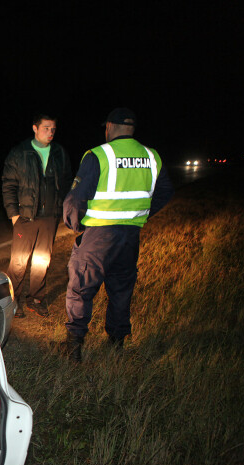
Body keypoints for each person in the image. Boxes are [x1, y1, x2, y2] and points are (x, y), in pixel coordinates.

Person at [62, 108, 174, 362]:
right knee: (122, 290)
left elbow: (76, 198)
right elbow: (166, 190)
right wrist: (139, 214)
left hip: (98, 236)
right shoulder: (151, 156)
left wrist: (76, 224)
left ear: (110, 127)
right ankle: (116, 344)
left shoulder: (100, 155)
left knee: (81, 288)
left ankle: (73, 346)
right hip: (129, 237)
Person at [2, 114, 72, 317]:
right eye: (46, 128)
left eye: (53, 129)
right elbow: (8, 184)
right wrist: (13, 214)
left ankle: (36, 298)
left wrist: (62, 210)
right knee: (18, 261)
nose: (50, 132)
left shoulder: (59, 153)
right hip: (25, 216)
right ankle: (12, 300)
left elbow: (67, 183)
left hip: (50, 217)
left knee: (43, 260)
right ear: (35, 128)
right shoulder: (20, 152)